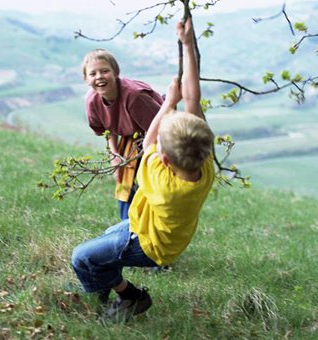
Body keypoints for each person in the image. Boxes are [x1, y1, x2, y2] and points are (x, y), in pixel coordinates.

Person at [71, 17, 215, 321]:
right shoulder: (203, 168)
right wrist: (187, 43)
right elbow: (193, 98)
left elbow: (149, 138)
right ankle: (105, 285)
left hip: (149, 243)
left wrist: (166, 104)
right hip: (161, 233)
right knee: (106, 239)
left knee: (82, 258)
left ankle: (131, 298)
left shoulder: (162, 183)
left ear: (164, 160)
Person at [82, 48, 164, 220]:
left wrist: (145, 159)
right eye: (93, 73)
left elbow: (159, 128)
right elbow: (107, 128)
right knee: (123, 182)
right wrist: (114, 154)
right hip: (132, 135)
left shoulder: (134, 96)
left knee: (148, 182)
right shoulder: (92, 101)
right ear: (86, 79)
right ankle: (127, 225)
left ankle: (151, 227)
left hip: (157, 133)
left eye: (105, 71)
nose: (99, 77)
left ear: (116, 73)